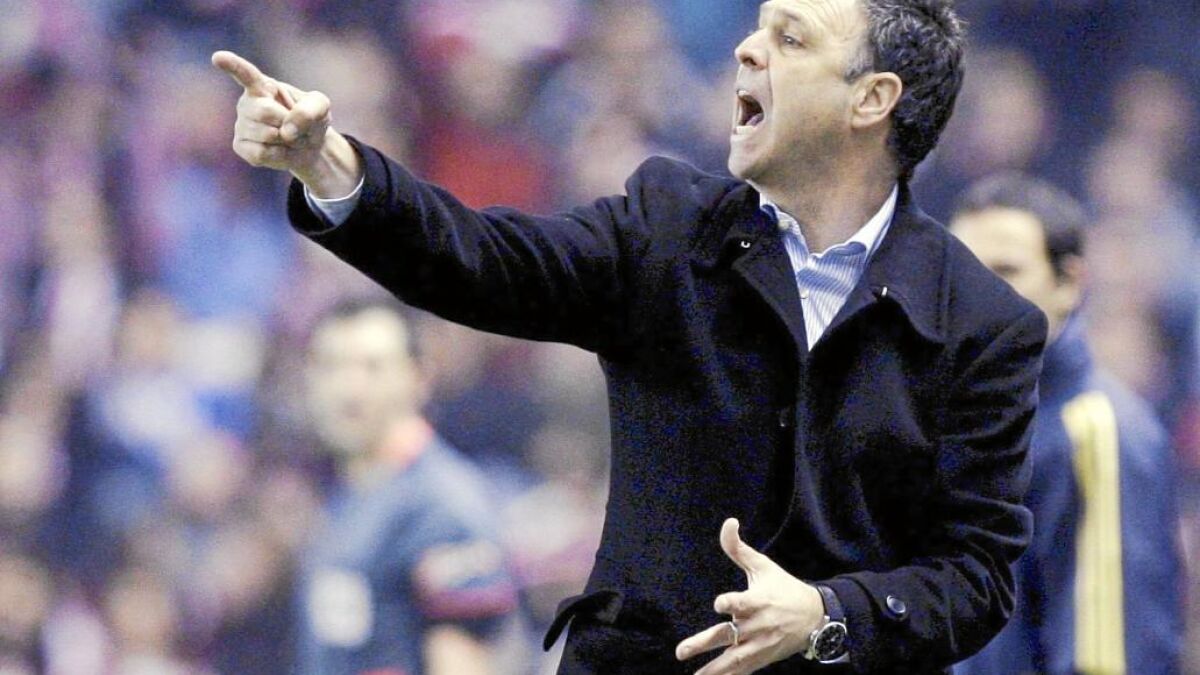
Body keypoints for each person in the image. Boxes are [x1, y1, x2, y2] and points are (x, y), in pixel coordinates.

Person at [212, 0, 1049, 671]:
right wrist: (328, 165)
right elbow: (483, 261)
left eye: (790, 38)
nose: (747, 49)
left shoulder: (983, 327)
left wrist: (827, 616)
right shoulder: (671, 229)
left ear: (872, 100)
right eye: (757, 27)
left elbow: (974, 578)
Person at [949, 174, 1185, 674]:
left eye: (1006, 271)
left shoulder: (1096, 434)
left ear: (1069, 283)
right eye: (960, 272)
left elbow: (1112, 659)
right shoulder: (958, 420)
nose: (976, 294)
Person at [297, 299, 519, 675]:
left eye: (372, 367)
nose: (349, 389)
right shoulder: (352, 493)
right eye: (331, 365)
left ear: (419, 378)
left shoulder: (440, 507)